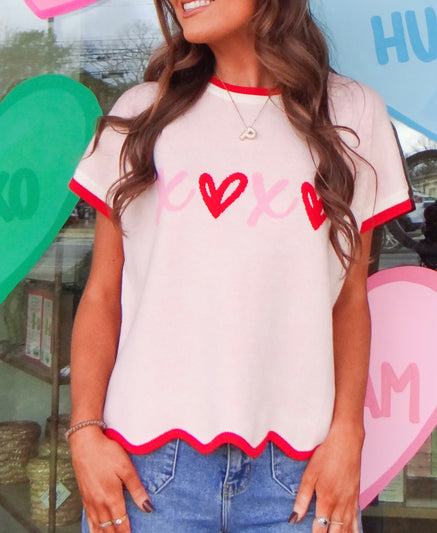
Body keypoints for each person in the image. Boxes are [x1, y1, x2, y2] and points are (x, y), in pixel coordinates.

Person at [66, 1, 412, 532]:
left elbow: (349, 300)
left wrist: (349, 434)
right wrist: (84, 433)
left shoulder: (352, 113)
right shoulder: (141, 114)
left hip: (298, 479)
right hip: (148, 474)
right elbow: (101, 294)